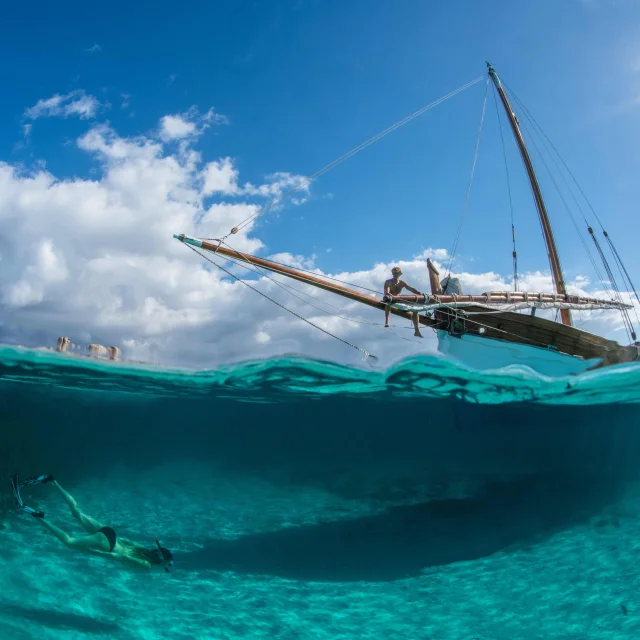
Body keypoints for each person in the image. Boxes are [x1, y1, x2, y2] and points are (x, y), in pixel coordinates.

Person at [11, 474, 173, 572]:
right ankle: (38, 516)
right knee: (69, 541)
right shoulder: (146, 564)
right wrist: (100, 554)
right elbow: (121, 557)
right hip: (107, 545)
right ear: (161, 561)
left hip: (110, 534)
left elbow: (127, 542)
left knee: (76, 512)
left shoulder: (143, 550)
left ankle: (52, 481)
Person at [384, 266, 424, 337]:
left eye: (396, 273)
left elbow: (410, 289)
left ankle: (416, 331)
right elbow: (386, 292)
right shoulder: (388, 282)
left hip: (399, 299)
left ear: (400, 274)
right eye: (393, 273)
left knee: (415, 310)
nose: (394, 275)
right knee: (387, 302)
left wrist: (419, 293)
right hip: (391, 299)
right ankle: (387, 321)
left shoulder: (402, 283)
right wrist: (392, 296)